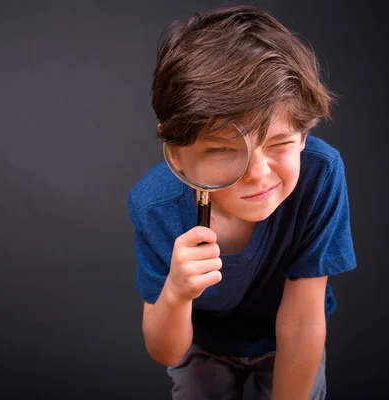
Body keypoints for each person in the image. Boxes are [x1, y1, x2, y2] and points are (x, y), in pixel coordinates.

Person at [127, 4, 357, 400]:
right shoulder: (156, 205)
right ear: (176, 152)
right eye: (221, 151)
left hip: (289, 334)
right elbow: (166, 350)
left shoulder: (320, 174)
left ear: (303, 135)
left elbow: (302, 321)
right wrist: (177, 293)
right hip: (200, 341)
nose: (257, 173)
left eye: (281, 143)